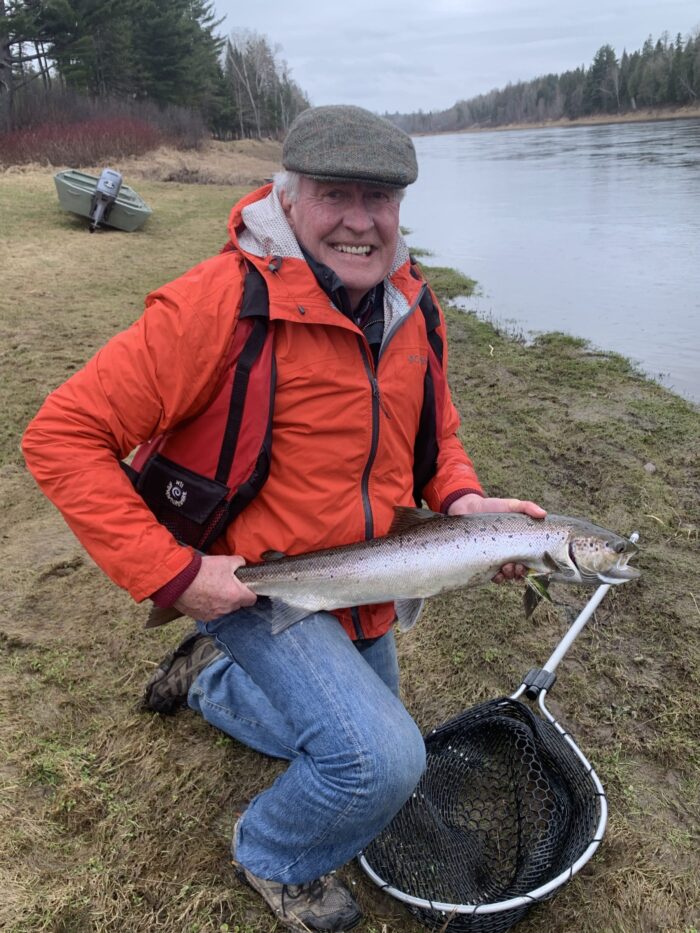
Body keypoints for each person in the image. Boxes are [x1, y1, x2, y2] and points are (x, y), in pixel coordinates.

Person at [22, 105, 545, 933]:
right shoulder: (217, 306)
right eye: (337, 194)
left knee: (346, 741)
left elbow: (435, 437)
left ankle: (210, 680)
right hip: (254, 583)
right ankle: (271, 854)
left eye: (381, 199)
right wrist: (180, 575)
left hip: (362, 578)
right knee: (380, 762)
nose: (361, 221)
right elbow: (61, 435)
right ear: (288, 196)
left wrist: (465, 502)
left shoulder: (414, 306)